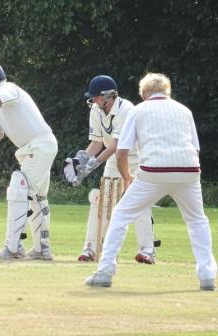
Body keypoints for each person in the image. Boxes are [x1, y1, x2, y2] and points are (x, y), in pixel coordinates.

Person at [85, 73, 217, 290]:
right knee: (197, 221)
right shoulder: (185, 110)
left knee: (121, 215)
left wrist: (127, 177)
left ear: (143, 94)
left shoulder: (138, 110)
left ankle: (105, 272)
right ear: (167, 92)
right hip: (190, 170)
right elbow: (196, 149)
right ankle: (206, 276)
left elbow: (121, 152)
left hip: (153, 171)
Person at [0, 62, 58, 260]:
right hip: (33, 149)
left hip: (40, 145)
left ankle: (13, 247)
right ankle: (41, 249)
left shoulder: (8, 89)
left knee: (19, 186)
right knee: (37, 198)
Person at [63, 75, 156, 263]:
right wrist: (79, 161)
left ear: (108, 95)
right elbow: (96, 143)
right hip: (113, 161)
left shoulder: (126, 109)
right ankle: (91, 247)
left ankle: (147, 250)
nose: (94, 100)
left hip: (136, 159)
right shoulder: (96, 111)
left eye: (96, 96)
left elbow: (116, 144)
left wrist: (93, 164)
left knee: (139, 201)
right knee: (100, 202)